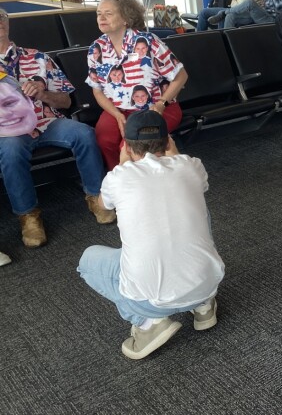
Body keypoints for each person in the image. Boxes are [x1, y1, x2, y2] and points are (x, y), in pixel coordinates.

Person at [77, 111, 225, 360]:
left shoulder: (118, 177)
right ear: (168, 142)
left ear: (127, 146)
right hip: (207, 283)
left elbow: (103, 205)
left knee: (87, 261)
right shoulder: (192, 166)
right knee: (194, 207)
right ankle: (204, 306)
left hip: (153, 300)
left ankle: (148, 322)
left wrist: (123, 164)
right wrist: (175, 153)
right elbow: (190, 175)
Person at [0, 8, 108, 247]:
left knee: (84, 134)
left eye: (1, 18)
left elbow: (68, 101)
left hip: (47, 122)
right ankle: (28, 215)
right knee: (10, 151)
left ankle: (95, 196)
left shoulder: (37, 58)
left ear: (7, 23)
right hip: (10, 132)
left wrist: (44, 93)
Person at [88, 0, 188, 170]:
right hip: (117, 108)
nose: (101, 18)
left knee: (130, 147)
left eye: (108, 13)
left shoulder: (147, 42)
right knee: (104, 140)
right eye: (98, 13)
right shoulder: (96, 48)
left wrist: (160, 104)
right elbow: (97, 90)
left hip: (154, 108)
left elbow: (181, 76)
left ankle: (140, 184)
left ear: (126, 18)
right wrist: (117, 114)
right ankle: (117, 178)